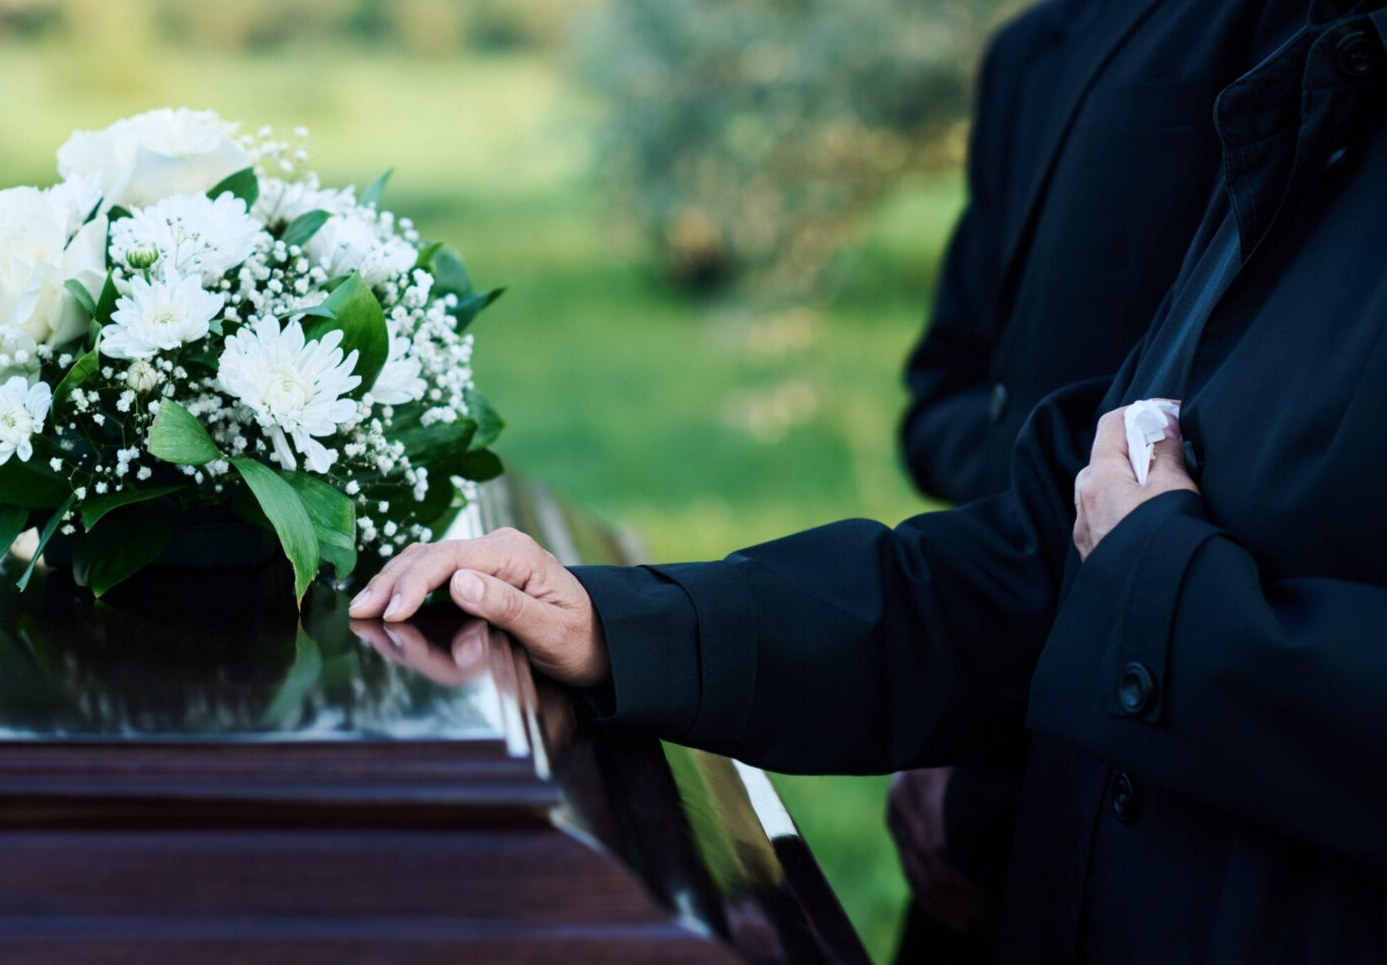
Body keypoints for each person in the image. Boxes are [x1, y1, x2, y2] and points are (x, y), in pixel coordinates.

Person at [351, 1, 1387, 959]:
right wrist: (624, 622)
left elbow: (1131, 563)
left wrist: (1153, 584)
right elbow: (1038, 554)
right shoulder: (1329, 90)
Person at [888, 0, 1300, 957]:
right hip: (990, 659)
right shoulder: (1029, 52)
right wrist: (953, 703)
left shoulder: (1294, 27)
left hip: (1154, 740)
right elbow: (947, 386)